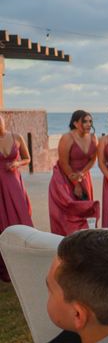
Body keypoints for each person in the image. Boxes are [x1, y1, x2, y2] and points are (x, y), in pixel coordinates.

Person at [48, 110, 100, 235]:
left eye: (90, 121)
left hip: (83, 176)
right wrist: (76, 183)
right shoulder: (67, 138)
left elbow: (93, 159)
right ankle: (66, 240)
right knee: (67, 213)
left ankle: (83, 239)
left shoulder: (93, 137)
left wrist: (82, 174)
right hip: (65, 177)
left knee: (84, 210)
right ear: (76, 123)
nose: (88, 124)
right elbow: (64, 163)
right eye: (85, 121)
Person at [0, 114, 33, 282]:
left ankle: (27, 259)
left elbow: (28, 158)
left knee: (22, 217)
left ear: (4, 120)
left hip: (14, 183)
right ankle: (5, 267)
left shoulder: (16, 137)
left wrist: (17, 164)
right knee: (2, 221)